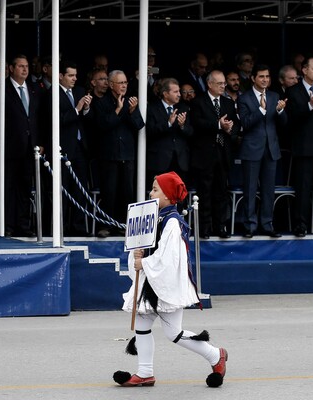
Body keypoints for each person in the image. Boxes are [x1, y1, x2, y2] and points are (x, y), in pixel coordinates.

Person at [113, 171, 228, 388]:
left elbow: (169, 258)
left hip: (167, 283)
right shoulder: (154, 217)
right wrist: (137, 254)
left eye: (155, 189)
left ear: (167, 195)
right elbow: (146, 247)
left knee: (173, 332)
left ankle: (216, 355)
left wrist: (144, 263)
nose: (150, 192)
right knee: (142, 323)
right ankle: (145, 372)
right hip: (152, 281)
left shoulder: (172, 222)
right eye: (152, 188)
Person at [0, 54, 44, 237]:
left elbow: (39, 119)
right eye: (20, 66)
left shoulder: (34, 88)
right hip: (9, 147)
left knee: (26, 188)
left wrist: (40, 142)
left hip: (30, 147)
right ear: (11, 68)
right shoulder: (0, 88)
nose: (25, 69)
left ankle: (23, 225)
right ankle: (8, 225)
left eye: (26, 66)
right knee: (9, 188)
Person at [43, 59, 93, 236]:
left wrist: (86, 109)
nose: (74, 79)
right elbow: (58, 120)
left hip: (79, 147)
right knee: (62, 189)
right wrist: (78, 108)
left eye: (75, 75)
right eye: (70, 75)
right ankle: (60, 228)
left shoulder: (79, 91)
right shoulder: (52, 93)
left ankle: (78, 227)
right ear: (60, 76)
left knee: (80, 189)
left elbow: (87, 120)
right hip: (62, 149)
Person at [189, 70, 241, 239]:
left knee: (221, 192)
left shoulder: (227, 102)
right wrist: (218, 125)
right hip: (205, 154)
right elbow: (197, 123)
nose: (223, 86)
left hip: (223, 152)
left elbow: (236, 125)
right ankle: (205, 228)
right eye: (219, 83)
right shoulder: (198, 102)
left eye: (224, 83)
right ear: (209, 84)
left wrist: (230, 129)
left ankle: (221, 227)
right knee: (205, 192)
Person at [237, 64, 287, 238]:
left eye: (267, 76)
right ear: (253, 78)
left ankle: (267, 224)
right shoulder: (244, 98)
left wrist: (280, 111)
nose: (265, 79)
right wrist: (261, 109)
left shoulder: (274, 96)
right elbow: (246, 123)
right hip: (251, 148)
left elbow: (283, 124)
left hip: (271, 149)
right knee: (250, 189)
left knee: (268, 189)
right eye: (261, 76)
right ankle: (250, 225)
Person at [94, 70, 145, 238]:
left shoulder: (131, 101)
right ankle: (106, 225)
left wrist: (131, 111)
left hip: (128, 155)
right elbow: (102, 126)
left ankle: (125, 225)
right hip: (109, 155)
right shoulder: (101, 102)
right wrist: (117, 110)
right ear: (111, 85)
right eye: (120, 83)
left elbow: (139, 125)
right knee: (109, 192)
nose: (123, 86)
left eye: (125, 82)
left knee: (127, 192)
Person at [285, 56, 313, 237]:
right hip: (304, 148)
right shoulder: (293, 91)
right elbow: (291, 119)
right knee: (303, 189)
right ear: (304, 70)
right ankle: (300, 225)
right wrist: (309, 106)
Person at [145, 78, 193, 192]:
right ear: (165, 94)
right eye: (175, 92)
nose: (179, 95)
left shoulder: (183, 108)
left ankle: (177, 211)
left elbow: (191, 132)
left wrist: (182, 126)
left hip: (179, 159)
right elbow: (149, 131)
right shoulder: (152, 108)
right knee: (160, 194)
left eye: (179, 91)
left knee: (178, 194)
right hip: (160, 160)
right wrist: (168, 124)